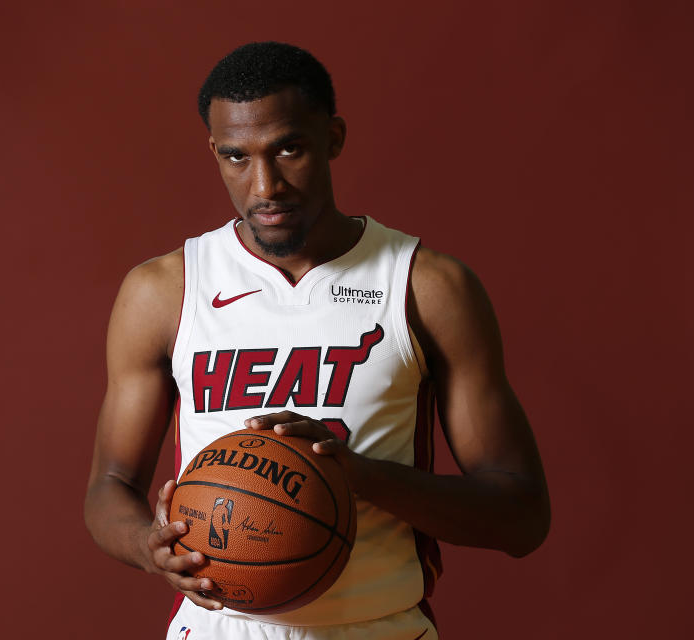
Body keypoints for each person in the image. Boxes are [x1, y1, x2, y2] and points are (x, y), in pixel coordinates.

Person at [84, 41, 550, 639]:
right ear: (214, 151)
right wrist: (150, 546)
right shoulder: (164, 290)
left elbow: (521, 517)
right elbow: (109, 488)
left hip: (377, 627)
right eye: (236, 157)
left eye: (289, 149)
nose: (265, 186)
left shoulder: (426, 286)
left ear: (333, 138)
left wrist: (352, 475)